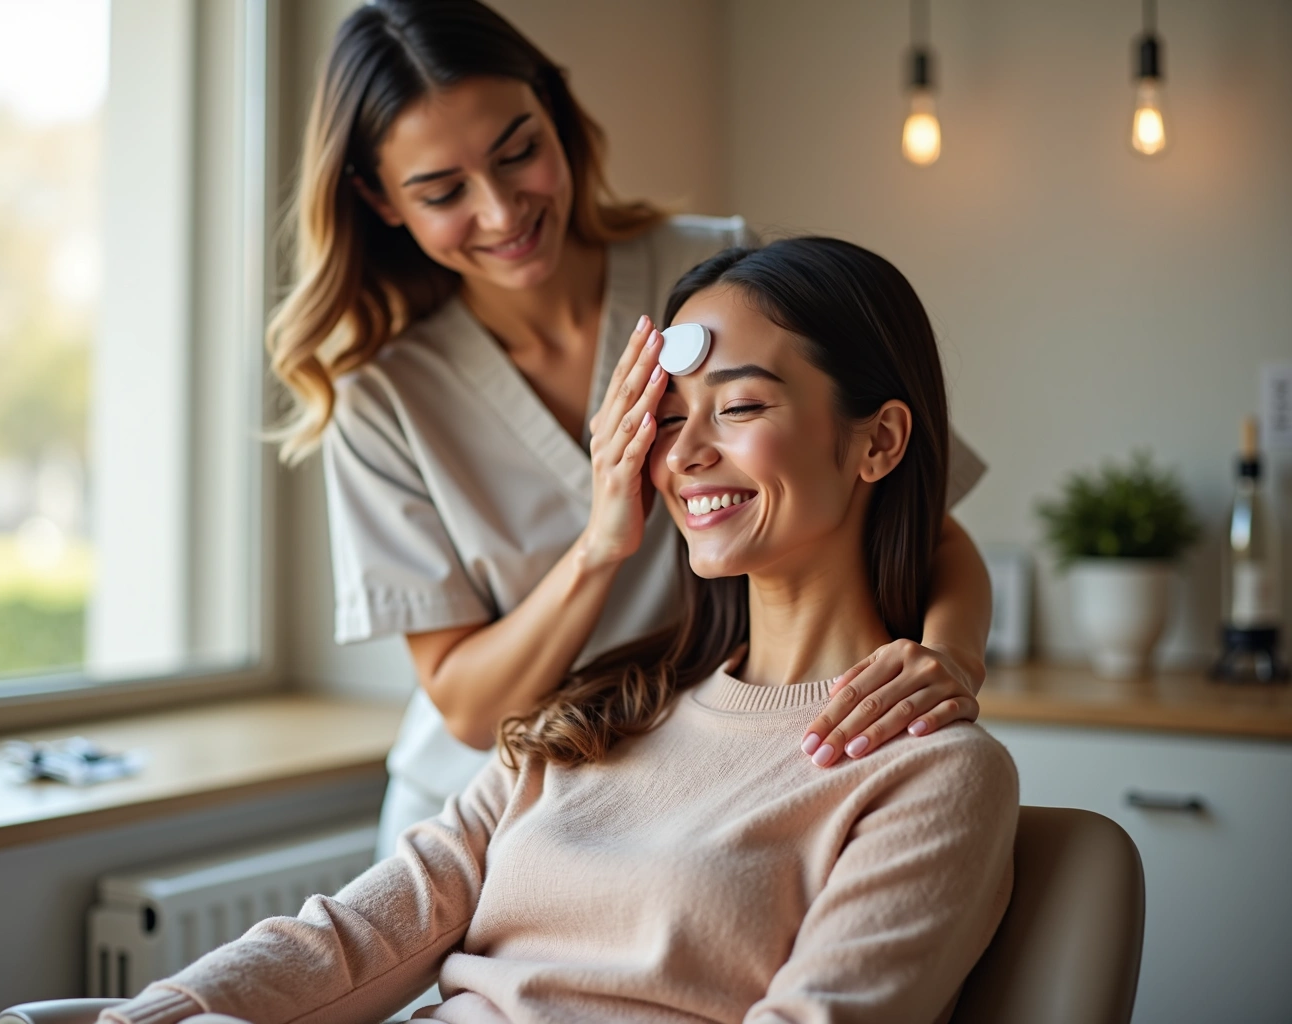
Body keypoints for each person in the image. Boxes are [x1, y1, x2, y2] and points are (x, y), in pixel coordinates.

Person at [100, 236, 1020, 1024]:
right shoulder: (594, 716)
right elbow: (352, 939)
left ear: (880, 442)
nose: (688, 451)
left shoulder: (924, 770)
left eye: (739, 407)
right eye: (665, 418)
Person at [271, 0, 995, 857]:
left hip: (696, 776)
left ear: (557, 115)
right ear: (378, 199)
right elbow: (465, 707)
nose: (503, 212)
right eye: (443, 192)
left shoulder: (712, 278)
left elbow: (919, 514)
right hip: (486, 811)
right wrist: (599, 546)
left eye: (520, 153)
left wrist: (950, 662)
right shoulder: (383, 395)